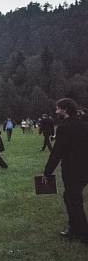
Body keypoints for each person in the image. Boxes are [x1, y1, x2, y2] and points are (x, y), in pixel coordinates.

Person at [43, 98, 88, 243]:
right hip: (85, 170)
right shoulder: (84, 125)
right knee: (69, 197)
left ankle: (83, 234)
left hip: (72, 170)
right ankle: (73, 227)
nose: (56, 111)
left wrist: (47, 172)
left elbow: (57, 152)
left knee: (74, 200)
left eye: (58, 109)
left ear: (65, 109)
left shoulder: (64, 128)